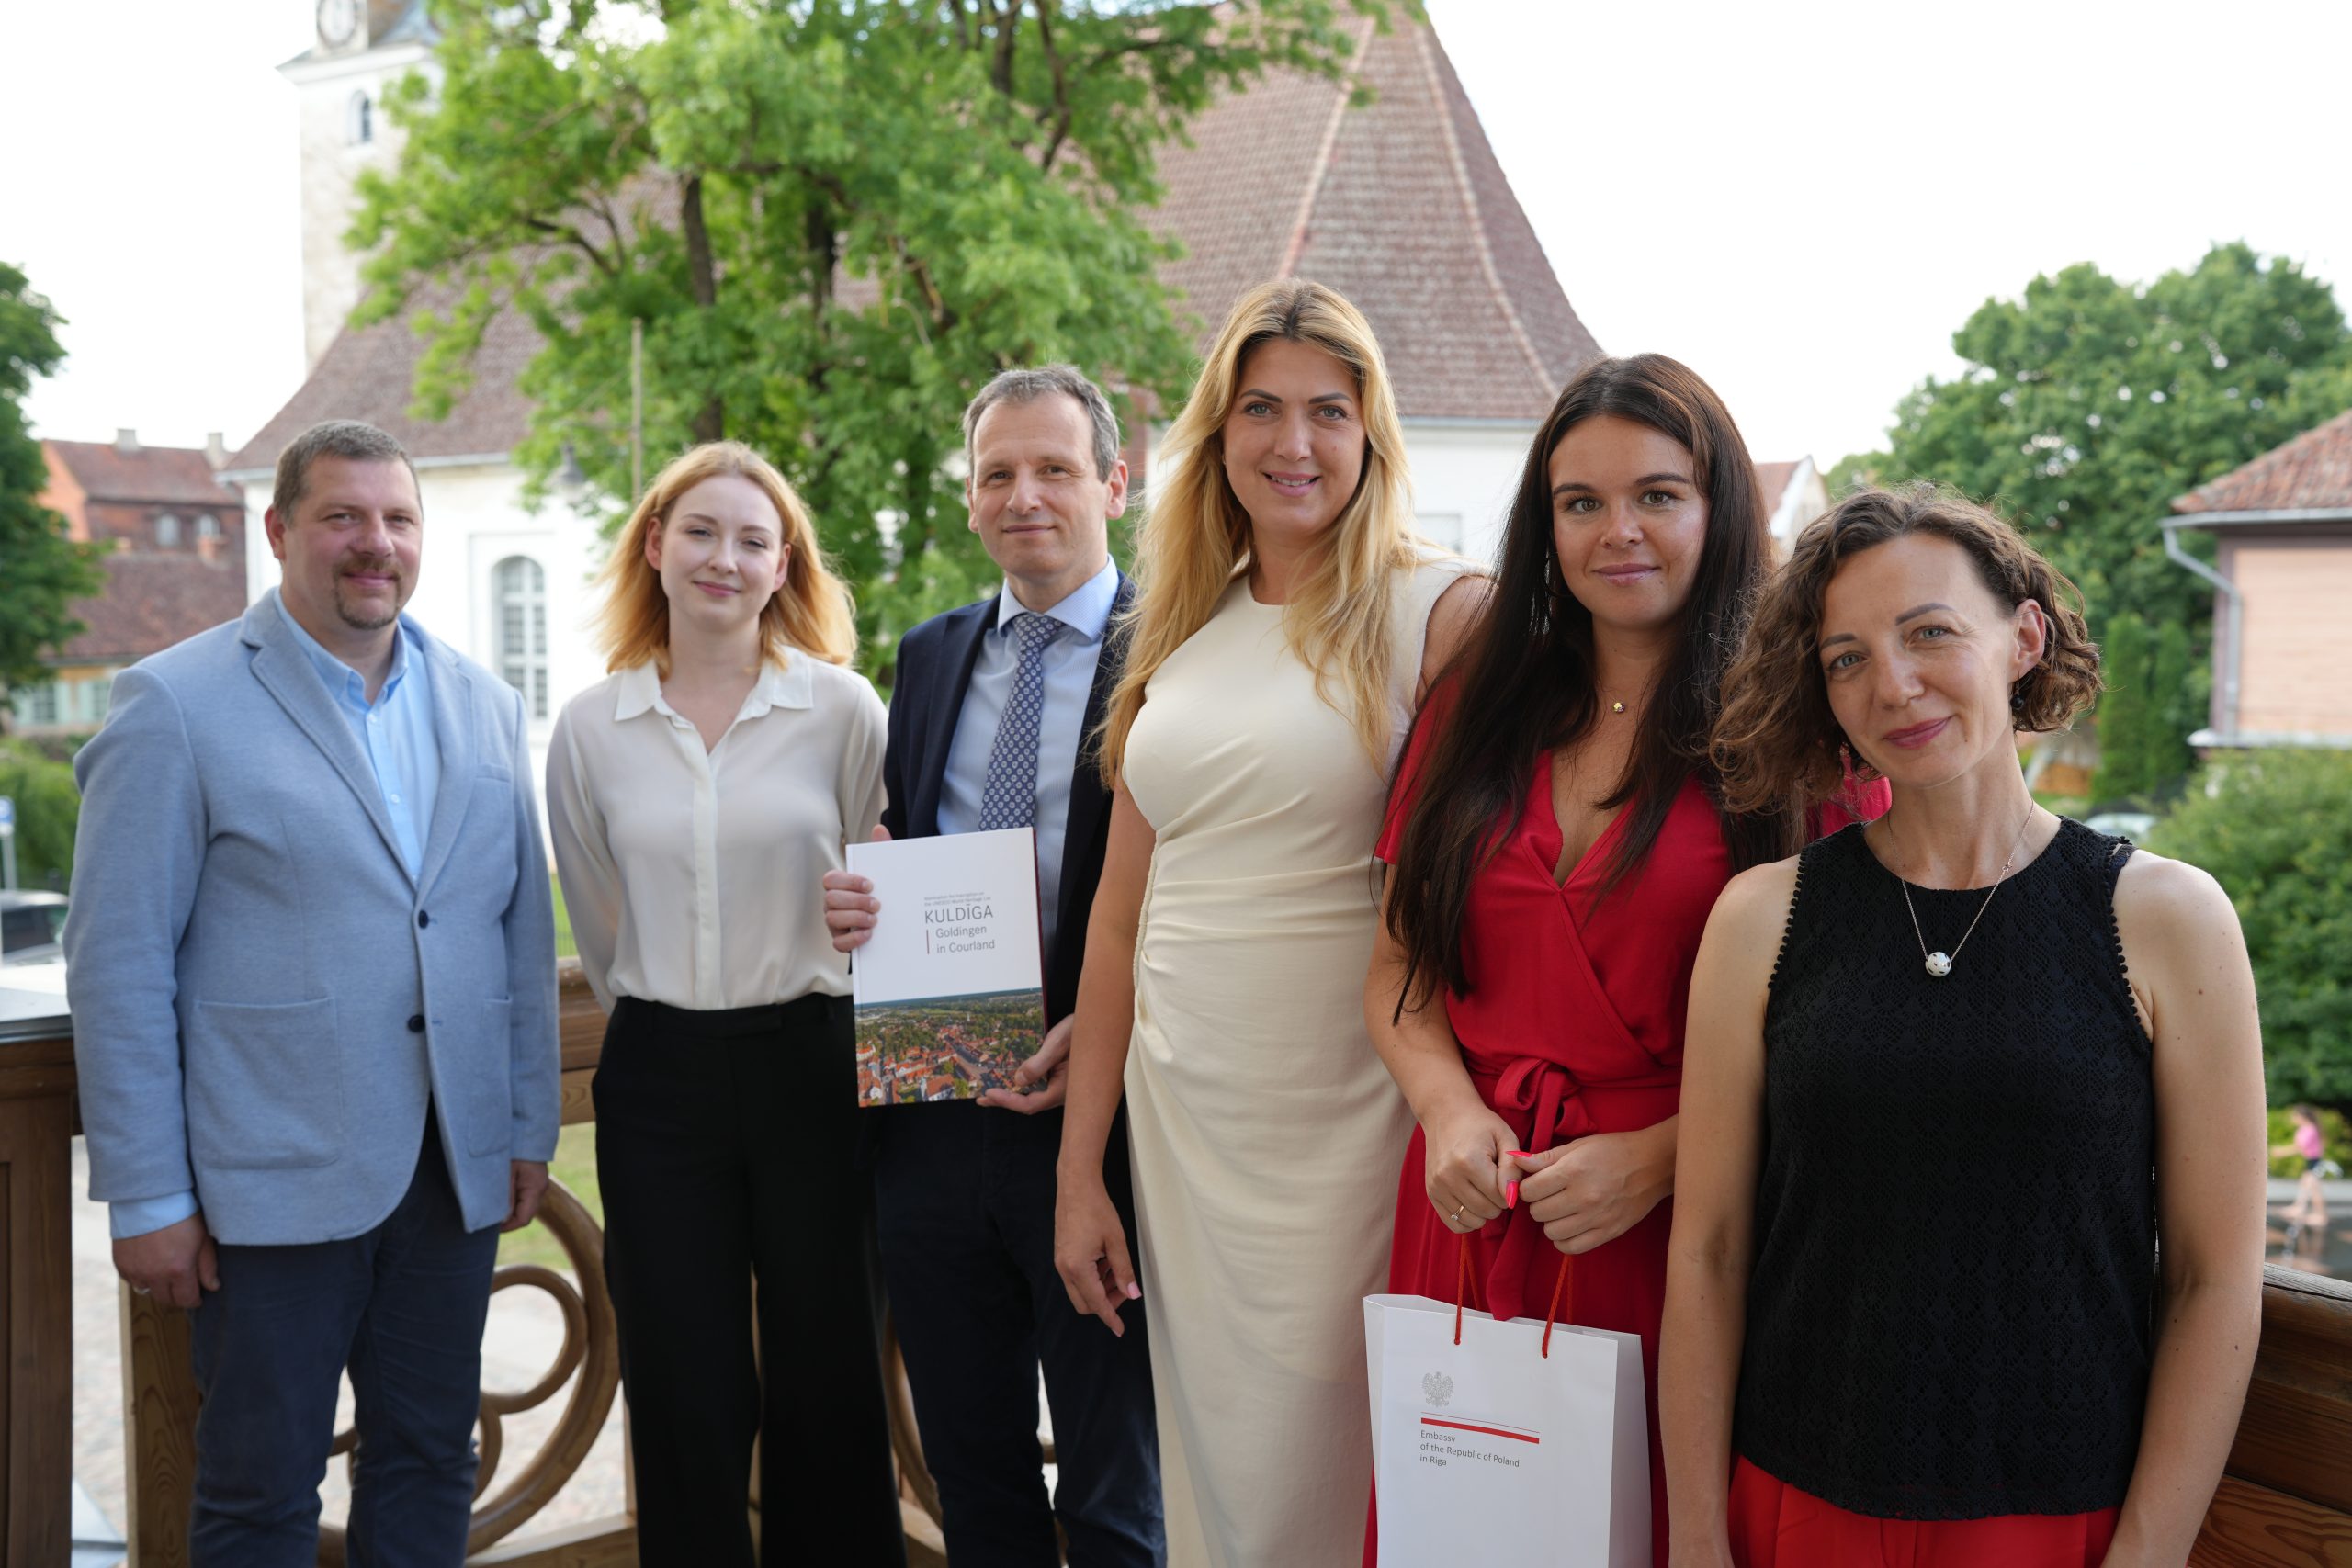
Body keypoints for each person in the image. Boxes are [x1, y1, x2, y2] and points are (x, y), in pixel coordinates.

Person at [1662, 485, 2267, 1568]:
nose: (1892, 685)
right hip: (1796, 1503)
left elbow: (2212, 1278)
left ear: (2022, 638)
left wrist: (2147, 1554)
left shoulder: (2167, 918)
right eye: (1845, 658)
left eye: (1929, 633)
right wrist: (1699, 1537)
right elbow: (1707, 1253)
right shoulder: (1760, 919)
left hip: (2058, 1519)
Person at [1364, 355, 1882, 1566]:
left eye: (1658, 494)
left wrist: (1660, 1157)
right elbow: (1397, 965)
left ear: (1719, 509)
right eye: (1580, 502)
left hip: (1679, 1223)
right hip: (1472, 1202)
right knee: (1459, 1534)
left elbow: (1849, 1023)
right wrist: (1445, 1110)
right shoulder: (1478, 701)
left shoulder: (1801, 733)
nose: (1619, 531)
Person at [65, 419, 561, 1565]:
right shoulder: (173, 704)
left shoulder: (485, 706)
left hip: (451, 1172)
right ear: (280, 530)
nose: (374, 543)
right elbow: (120, 962)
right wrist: (148, 1196)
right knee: (259, 1492)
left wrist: (522, 1125)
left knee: (430, 1461)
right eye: (343, 516)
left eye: (398, 520)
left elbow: (516, 939)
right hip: (267, 1183)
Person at [1053, 278, 1485, 1567]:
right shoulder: (1177, 625)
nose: (1293, 442)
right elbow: (1118, 923)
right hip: (1185, 1128)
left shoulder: (1443, 609)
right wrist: (1081, 1172)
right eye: (1260, 409)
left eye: (1328, 411)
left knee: (1334, 1474)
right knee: (1220, 1479)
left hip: (1350, 1121)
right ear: (1218, 431)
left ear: (1371, 434)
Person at [821, 366, 1164, 1566]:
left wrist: (1108, 1035)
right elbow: (912, 849)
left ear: (1114, 485)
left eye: (1054, 469)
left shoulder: (1175, 653)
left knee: (1117, 1491)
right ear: (969, 497)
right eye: (997, 474)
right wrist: (867, 900)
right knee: (976, 1482)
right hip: (935, 1114)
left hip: (1103, 1126)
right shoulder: (927, 656)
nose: (1024, 496)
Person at [544, 442, 901, 1567]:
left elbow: (884, 881)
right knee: (681, 1386)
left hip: (814, 1064)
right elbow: (600, 922)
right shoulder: (591, 728)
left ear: (782, 564)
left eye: (753, 540)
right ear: (655, 545)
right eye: (700, 532)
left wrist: (864, 924)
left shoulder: (842, 709)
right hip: (660, 1079)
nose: (724, 559)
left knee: (830, 1376)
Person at [2275, 1103, 2331, 1235]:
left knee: (2314, 1189)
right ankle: (2299, 1208)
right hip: (2311, 1162)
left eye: (2295, 1116)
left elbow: (2299, 1148)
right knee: (2306, 1186)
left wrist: (2281, 1152)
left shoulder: (2310, 1129)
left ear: (2302, 1116)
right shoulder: (2305, 1129)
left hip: (2315, 1162)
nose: (2293, 1118)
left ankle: (2321, 1216)